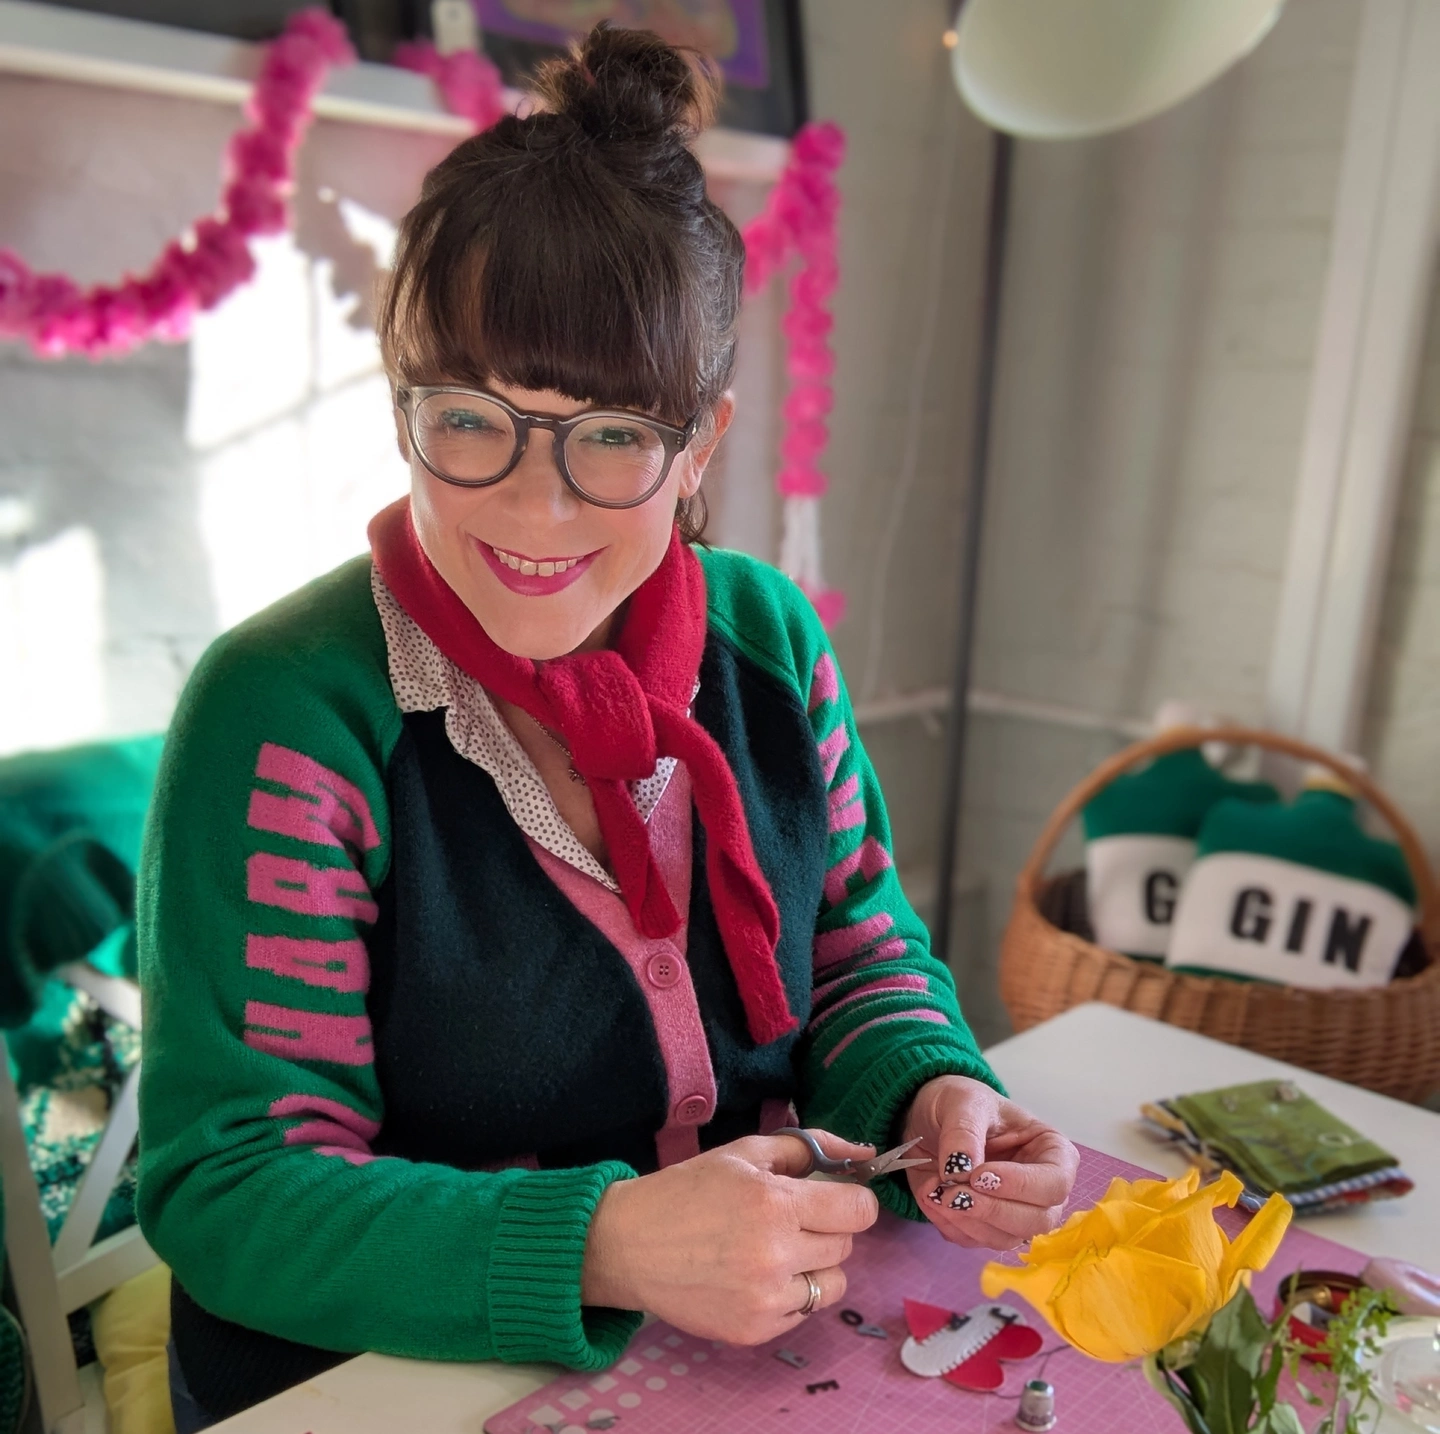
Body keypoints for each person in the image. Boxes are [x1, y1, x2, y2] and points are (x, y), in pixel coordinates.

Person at [137, 24, 1078, 1430]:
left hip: (755, 1346)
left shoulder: (771, 643)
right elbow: (234, 1190)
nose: (533, 506)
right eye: (471, 420)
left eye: (613, 436)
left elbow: (857, 944)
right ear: (403, 406)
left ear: (701, 442)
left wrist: (938, 1088)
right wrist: (610, 1241)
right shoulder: (288, 715)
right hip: (376, 1384)